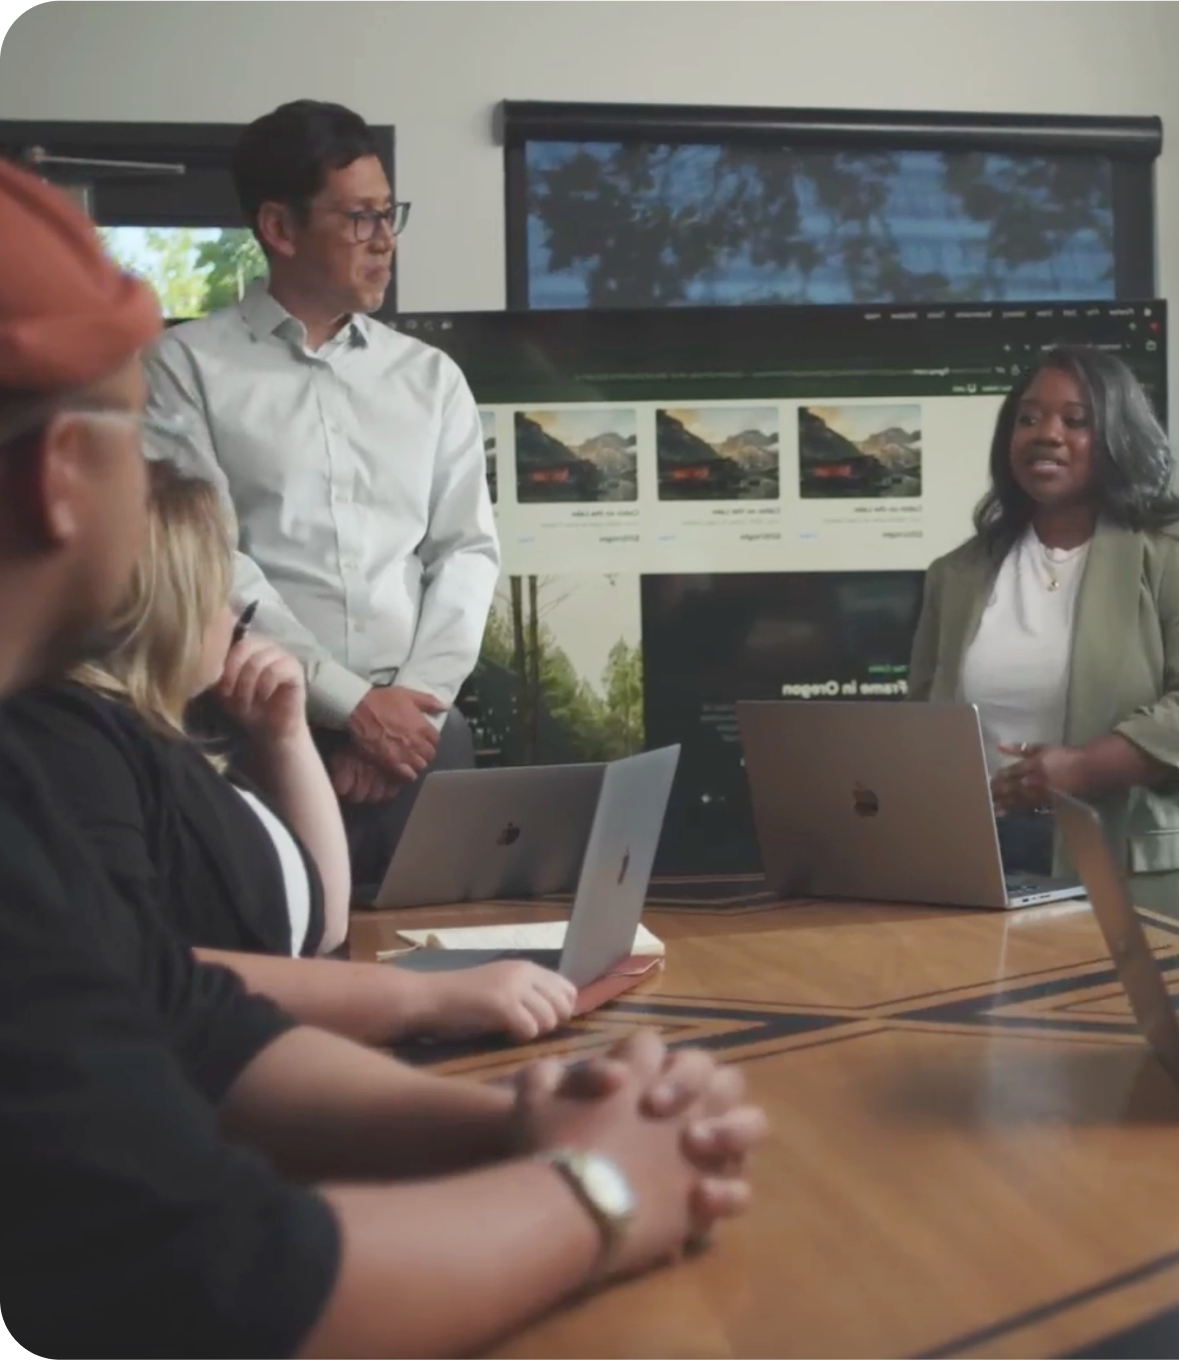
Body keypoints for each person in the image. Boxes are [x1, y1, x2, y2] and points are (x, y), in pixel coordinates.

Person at [0, 158, 766, 1360]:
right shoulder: (46, 776)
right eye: (127, 435)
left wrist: (514, 1117)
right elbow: (226, 1280)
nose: (160, 494)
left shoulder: (44, 760)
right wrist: (605, 1191)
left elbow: (184, 1015)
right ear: (56, 483)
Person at [8, 458, 581, 1046]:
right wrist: (426, 998)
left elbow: (321, 925)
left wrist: (285, 736)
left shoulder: (172, 742)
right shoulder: (75, 745)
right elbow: (133, 974)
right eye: (221, 596)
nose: (236, 621)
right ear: (167, 609)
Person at [143, 99, 500, 886]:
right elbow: (210, 561)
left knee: (457, 962)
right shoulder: (185, 369)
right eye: (361, 218)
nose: (386, 241)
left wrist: (408, 708)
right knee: (276, 967)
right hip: (243, 736)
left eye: (390, 214)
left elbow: (466, 552)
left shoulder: (430, 379)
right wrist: (349, 707)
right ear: (279, 226)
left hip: (423, 744)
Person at [907, 345, 1179, 937]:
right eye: (1028, 417)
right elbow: (920, 722)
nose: (1046, 434)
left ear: (1118, 434)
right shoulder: (957, 573)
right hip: (981, 872)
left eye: (1076, 420)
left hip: (1137, 875)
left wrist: (1083, 768)